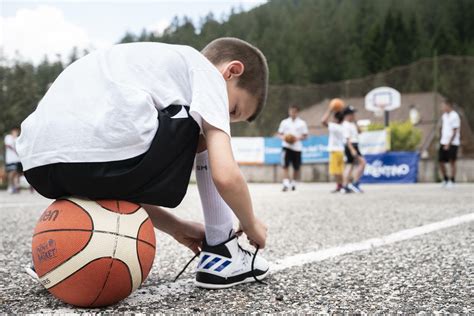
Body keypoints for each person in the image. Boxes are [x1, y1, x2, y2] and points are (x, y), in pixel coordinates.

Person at [17, 38, 270, 289]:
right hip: (101, 154)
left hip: (38, 163)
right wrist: (250, 223)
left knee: (95, 183)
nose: (225, 118)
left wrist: (176, 227)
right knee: (203, 135)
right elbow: (225, 175)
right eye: (233, 110)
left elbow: (110, 178)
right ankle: (222, 249)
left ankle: (56, 255)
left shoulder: (143, 64)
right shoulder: (205, 71)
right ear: (232, 71)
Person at [277, 105, 308, 191]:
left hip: (297, 147)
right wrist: (285, 138)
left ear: (297, 112)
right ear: (289, 112)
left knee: (296, 167)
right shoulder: (284, 122)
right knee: (285, 165)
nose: (292, 113)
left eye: (294, 111)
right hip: (286, 146)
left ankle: (293, 182)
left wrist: (296, 139)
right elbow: (279, 134)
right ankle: (286, 183)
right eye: (291, 111)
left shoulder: (302, 123)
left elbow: (305, 136)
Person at [341, 105, 366, 193]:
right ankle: (354, 184)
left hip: (354, 145)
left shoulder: (352, 124)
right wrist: (352, 150)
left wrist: (355, 122)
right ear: (347, 115)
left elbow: (360, 131)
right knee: (362, 163)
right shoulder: (345, 125)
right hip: (351, 146)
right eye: (352, 114)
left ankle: (345, 186)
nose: (354, 115)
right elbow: (347, 139)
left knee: (350, 165)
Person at [321, 108, 345, 193]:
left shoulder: (334, 126)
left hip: (335, 151)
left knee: (336, 171)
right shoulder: (342, 127)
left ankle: (341, 186)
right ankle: (340, 186)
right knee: (340, 170)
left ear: (336, 119)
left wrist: (329, 110)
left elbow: (323, 121)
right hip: (341, 151)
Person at [439, 99, 461, 188]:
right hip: (443, 141)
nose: (442, 108)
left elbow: (455, 131)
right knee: (441, 161)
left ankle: (452, 181)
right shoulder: (444, 116)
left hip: (453, 143)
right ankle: (445, 179)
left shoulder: (455, 116)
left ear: (448, 106)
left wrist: (449, 143)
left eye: (443, 106)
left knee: (452, 162)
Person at [4, 127, 22, 194]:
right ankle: (10, 186)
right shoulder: (8, 137)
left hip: (18, 159)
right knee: (12, 172)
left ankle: (16, 186)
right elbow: (7, 145)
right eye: (15, 131)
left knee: (17, 173)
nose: (16, 132)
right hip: (10, 159)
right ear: (12, 131)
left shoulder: (17, 139)